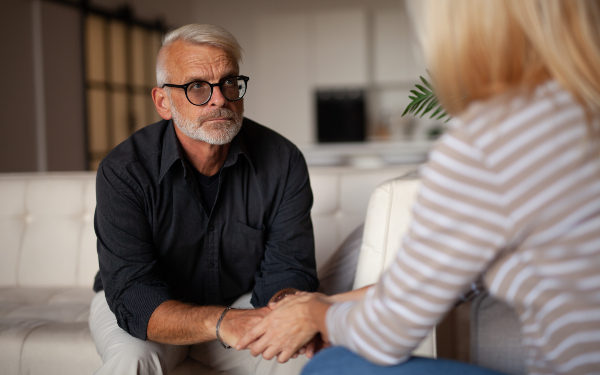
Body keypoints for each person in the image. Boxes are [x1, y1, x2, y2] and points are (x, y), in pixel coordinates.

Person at [236, 1, 600, 374]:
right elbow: (454, 283)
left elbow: (387, 334)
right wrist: (321, 305)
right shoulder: (583, 110)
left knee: (329, 366)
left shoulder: (495, 136)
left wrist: (314, 314)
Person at [89, 23, 319, 375]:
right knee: (130, 361)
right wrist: (220, 321)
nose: (220, 99)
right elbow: (134, 296)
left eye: (229, 82)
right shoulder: (124, 171)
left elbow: (287, 269)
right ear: (163, 102)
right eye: (197, 86)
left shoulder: (282, 160)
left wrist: (287, 309)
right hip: (152, 309)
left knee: (292, 355)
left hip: (240, 298)